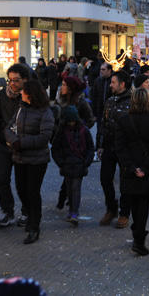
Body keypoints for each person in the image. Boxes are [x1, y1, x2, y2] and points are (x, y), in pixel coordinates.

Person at [4, 79, 54, 244]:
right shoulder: (21, 108)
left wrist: (21, 143)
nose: (21, 93)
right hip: (20, 157)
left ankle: (34, 226)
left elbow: (44, 137)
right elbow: (9, 128)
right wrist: (13, 141)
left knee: (33, 192)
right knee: (21, 189)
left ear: (30, 94)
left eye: (24, 91)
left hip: (37, 159)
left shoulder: (45, 112)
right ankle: (31, 216)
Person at [115, 88, 149, 255]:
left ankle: (137, 230)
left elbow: (120, 147)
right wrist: (145, 167)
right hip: (147, 167)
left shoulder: (123, 120)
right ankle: (139, 237)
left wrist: (130, 167)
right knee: (143, 202)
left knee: (132, 199)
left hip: (129, 168)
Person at [0, 63, 29, 228]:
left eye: (16, 80)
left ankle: (27, 212)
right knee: (2, 180)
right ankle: (8, 212)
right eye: (10, 80)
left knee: (23, 182)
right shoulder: (3, 95)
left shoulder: (29, 96)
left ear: (25, 80)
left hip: (21, 146)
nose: (12, 83)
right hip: (3, 145)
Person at [54, 76, 96, 210]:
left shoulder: (81, 103)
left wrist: (80, 131)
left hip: (77, 143)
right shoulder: (60, 101)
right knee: (68, 172)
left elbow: (91, 120)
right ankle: (65, 197)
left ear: (71, 88)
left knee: (72, 173)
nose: (62, 87)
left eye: (64, 85)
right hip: (63, 141)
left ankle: (66, 200)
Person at [97, 70, 132, 228]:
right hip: (109, 145)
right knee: (105, 178)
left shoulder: (132, 101)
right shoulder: (110, 101)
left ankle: (124, 213)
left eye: (113, 82)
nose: (110, 85)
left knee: (125, 181)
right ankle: (111, 208)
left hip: (126, 147)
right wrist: (100, 144)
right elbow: (103, 123)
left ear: (122, 84)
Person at [51, 106, 95, 227]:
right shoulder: (71, 131)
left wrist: (86, 162)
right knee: (71, 188)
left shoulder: (77, 130)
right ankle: (73, 211)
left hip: (76, 164)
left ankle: (74, 212)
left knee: (74, 188)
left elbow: (90, 148)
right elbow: (55, 149)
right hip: (70, 164)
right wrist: (61, 162)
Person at [91, 63, 113, 146]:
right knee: (99, 130)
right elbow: (94, 96)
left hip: (111, 110)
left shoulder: (113, 80)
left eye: (103, 69)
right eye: (100, 69)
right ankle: (98, 147)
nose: (101, 71)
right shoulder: (98, 81)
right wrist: (94, 112)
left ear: (109, 70)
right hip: (100, 110)